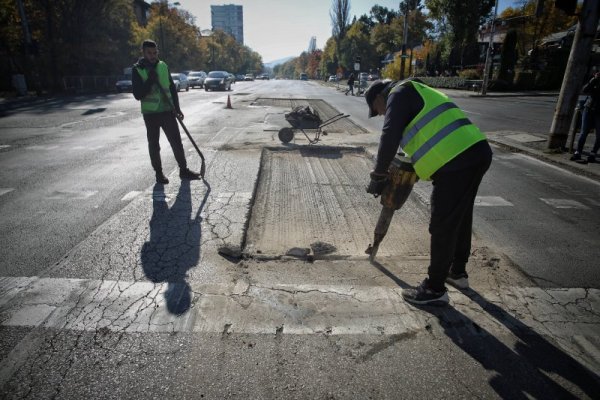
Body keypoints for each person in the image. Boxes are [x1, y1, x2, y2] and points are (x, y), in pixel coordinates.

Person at [365, 79, 493, 306]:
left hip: (457, 162)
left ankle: (434, 289)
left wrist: (378, 175)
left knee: (442, 224)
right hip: (476, 152)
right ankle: (457, 273)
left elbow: (389, 136)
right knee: (460, 218)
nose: (382, 115)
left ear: (378, 98)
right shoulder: (416, 91)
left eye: (378, 111)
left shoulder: (398, 93)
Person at [132, 39, 200, 184]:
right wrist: (150, 81)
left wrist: (177, 107)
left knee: (176, 142)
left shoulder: (163, 66)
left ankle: (184, 170)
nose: (152, 55)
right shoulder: (137, 69)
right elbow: (138, 95)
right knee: (154, 145)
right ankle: (159, 174)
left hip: (168, 111)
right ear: (143, 53)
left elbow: (171, 89)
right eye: (149, 53)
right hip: (151, 114)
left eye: (154, 52)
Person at [571, 71, 600, 163]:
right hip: (589, 108)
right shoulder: (595, 81)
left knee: (599, 135)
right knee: (584, 132)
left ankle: (593, 154)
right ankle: (577, 152)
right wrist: (593, 80)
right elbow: (584, 90)